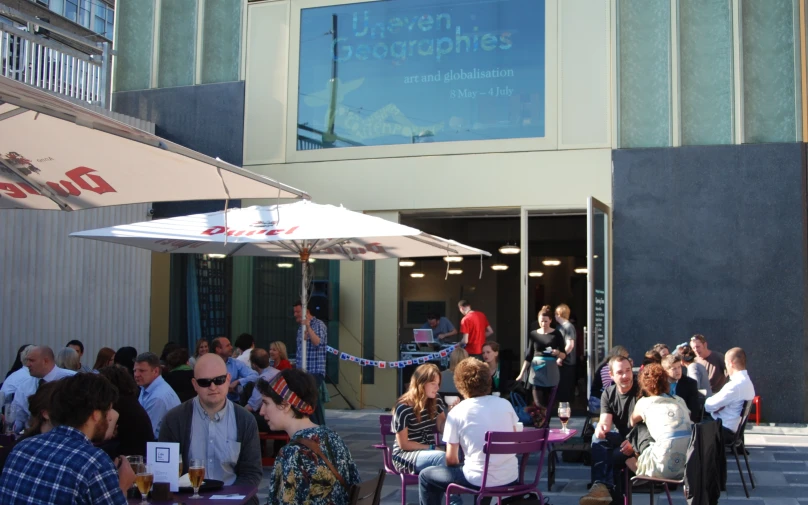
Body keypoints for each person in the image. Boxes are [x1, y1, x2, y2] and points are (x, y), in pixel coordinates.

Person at [0, 373, 135, 505]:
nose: (110, 418)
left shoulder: (21, 448)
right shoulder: (94, 462)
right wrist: (122, 487)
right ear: (95, 414)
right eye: (108, 411)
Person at [159, 354, 263, 498]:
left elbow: (251, 472)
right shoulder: (174, 419)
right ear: (194, 384)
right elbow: (166, 472)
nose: (213, 387)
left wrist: (229, 499)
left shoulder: (245, 420)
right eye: (204, 382)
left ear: (228, 379)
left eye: (219, 380)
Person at [418, 358, 519, 505]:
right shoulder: (505, 404)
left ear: (460, 384)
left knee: (426, 476)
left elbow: (451, 459)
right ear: (488, 380)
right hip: (510, 476)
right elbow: (515, 440)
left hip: (478, 479)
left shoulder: (458, 411)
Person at [258, 369, 360, 505]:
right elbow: (356, 485)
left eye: (266, 403)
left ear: (286, 405)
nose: (261, 411)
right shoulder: (332, 437)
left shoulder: (292, 453)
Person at [579, 355, 639, 505]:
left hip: (640, 440)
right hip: (622, 439)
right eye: (620, 372)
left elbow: (650, 425)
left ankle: (601, 488)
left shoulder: (641, 390)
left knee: (611, 458)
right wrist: (600, 427)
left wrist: (634, 443)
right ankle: (602, 488)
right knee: (597, 438)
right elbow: (605, 422)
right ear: (611, 375)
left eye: (628, 371)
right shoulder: (608, 393)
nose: (625, 376)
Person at [625, 364, 693, 480]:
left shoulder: (644, 403)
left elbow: (631, 422)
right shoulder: (679, 400)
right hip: (688, 466)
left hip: (661, 467)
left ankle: (638, 468)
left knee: (639, 428)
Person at [392, 363, 446, 475]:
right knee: (442, 458)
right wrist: (431, 448)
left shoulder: (436, 400)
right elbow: (404, 444)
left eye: (438, 384)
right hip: (405, 455)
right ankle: (450, 492)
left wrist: (453, 413)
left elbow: (442, 428)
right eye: (433, 384)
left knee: (454, 456)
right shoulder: (403, 408)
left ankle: (444, 491)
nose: (437, 388)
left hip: (429, 451)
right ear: (421, 384)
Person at [11, 346, 76, 431]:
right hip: (31, 436)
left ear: (45, 361)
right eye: (27, 360)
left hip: (63, 435)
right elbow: (18, 418)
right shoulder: (25, 386)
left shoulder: (72, 380)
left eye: (32, 360)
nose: (27, 365)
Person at [98, 365, 154, 458]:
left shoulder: (117, 403)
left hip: (129, 456)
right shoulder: (129, 400)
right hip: (141, 452)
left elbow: (104, 437)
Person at [517, 305, 566, 409]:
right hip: (536, 369)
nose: (543, 324)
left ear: (551, 321)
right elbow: (529, 356)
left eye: (546, 321)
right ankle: (540, 423)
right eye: (541, 321)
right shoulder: (534, 334)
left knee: (549, 403)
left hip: (551, 369)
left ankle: (546, 423)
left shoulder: (556, 334)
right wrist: (521, 374)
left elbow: (563, 354)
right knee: (538, 403)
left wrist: (557, 353)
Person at [704, 347, 755, 442]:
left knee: (693, 426)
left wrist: (717, 405)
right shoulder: (748, 382)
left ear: (731, 363)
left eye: (726, 363)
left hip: (724, 430)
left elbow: (708, 406)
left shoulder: (734, 385)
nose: (726, 367)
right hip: (735, 430)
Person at [293, 300, 328, 426]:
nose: (295, 314)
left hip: (314, 371)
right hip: (303, 372)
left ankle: (317, 428)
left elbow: (318, 343)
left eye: (297, 311)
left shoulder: (319, 324)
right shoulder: (299, 329)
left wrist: (308, 327)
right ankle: (316, 427)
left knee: (309, 400)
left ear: (306, 312)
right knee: (311, 402)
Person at [134, 352, 181, 438]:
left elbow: (144, 431)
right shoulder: (146, 387)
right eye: (135, 370)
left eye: (142, 371)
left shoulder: (158, 397)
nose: (136, 374)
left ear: (155, 371)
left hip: (160, 446)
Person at [211, 337, 258, 403]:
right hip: (214, 403)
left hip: (233, 403)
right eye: (228, 345)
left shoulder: (235, 363)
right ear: (218, 349)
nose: (231, 347)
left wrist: (238, 381)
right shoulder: (209, 365)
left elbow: (255, 375)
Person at [661, 354, 701, 423]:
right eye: (674, 369)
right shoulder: (659, 383)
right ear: (665, 371)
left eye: (679, 367)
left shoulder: (690, 383)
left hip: (683, 421)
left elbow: (694, 409)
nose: (678, 371)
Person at [245, 348, 280, 414]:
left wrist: (236, 414)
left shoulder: (263, 379)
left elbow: (252, 406)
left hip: (272, 414)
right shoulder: (278, 372)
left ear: (254, 365)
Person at [555, 304, 578, 403]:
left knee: (565, 390)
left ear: (559, 314)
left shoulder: (568, 327)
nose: (554, 316)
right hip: (563, 363)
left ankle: (565, 412)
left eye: (555, 314)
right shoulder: (560, 327)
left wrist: (561, 357)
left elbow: (570, 345)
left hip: (567, 363)